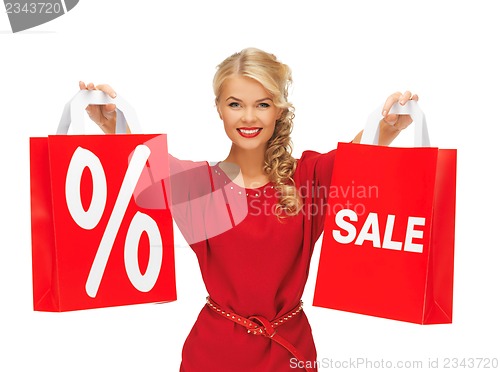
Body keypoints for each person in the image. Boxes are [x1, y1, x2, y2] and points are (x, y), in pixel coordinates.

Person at [80, 47, 418, 372]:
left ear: (280, 110)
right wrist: (113, 124)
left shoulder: (306, 179)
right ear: (219, 109)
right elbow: (144, 160)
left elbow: (355, 160)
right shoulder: (199, 187)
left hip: (290, 352)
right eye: (235, 104)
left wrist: (387, 126)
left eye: (263, 104)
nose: (249, 117)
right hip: (212, 356)